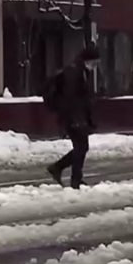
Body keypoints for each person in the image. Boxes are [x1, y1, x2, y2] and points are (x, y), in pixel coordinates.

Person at [47, 44, 100, 189]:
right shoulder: (75, 72)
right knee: (81, 147)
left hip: (77, 116)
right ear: (87, 60)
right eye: (94, 63)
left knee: (81, 147)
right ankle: (71, 177)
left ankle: (64, 172)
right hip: (73, 117)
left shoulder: (82, 71)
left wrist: (88, 119)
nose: (95, 67)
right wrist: (74, 119)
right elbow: (70, 98)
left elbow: (83, 98)